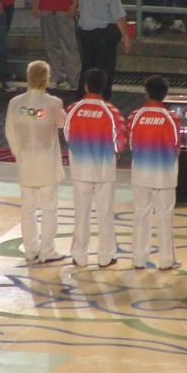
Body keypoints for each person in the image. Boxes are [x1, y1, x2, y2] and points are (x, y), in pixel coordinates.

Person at [4, 60, 67, 264]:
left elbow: (9, 132)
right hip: (47, 164)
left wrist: (19, 154)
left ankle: (31, 250)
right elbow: (62, 124)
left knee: (28, 208)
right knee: (49, 208)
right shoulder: (53, 103)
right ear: (46, 78)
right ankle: (48, 250)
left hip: (26, 163)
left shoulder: (15, 103)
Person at [64, 68, 126, 268]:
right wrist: (112, 152)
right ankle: (106, 256)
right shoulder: (112, 112)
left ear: (85, 85)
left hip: (80, 171)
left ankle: (79, 256)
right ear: (104, 86)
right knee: (105, 215)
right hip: (104, 172)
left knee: (81, 215)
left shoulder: (73, 109)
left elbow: (67, 135)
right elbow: (120, 142)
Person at [128, 75, 181, 270]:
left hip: (141, 174)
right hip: (165, 175)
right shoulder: (172, 117)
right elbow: (176, 145)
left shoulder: (135, 116)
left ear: (146, 92)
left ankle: (138, 259)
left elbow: (132, 143)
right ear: (165, 94)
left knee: (141, 216)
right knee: (165, 218)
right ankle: (166, 261)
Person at [73, 0, 130, 100]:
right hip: (104, 36)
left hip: (85, 34)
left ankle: (82, 99)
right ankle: (102, 101)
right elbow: (119, 16)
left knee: (87, 68)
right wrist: (126, 36)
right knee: (105, 71)